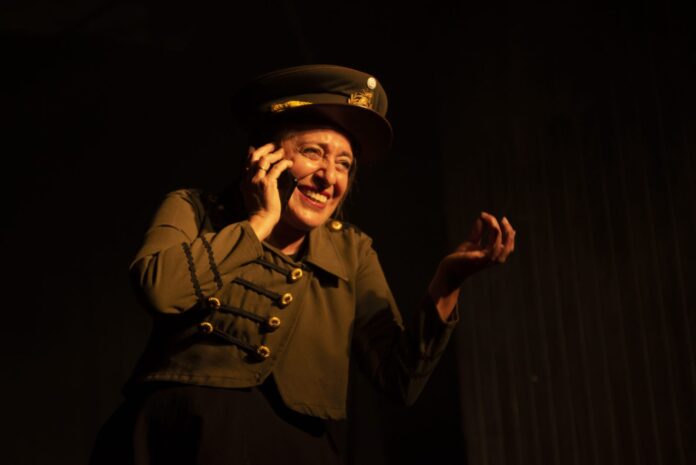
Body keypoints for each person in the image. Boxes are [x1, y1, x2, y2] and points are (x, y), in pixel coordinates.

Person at [89, 64, 516, 465]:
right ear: (265, 156)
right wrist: (258, 224)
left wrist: (448, 282)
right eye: (314, 153)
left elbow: (399, 380)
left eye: (344, 164)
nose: (330, 177)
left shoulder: (352, 250)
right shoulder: (193, 208)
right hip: (176, 436)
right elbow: (159, 290)